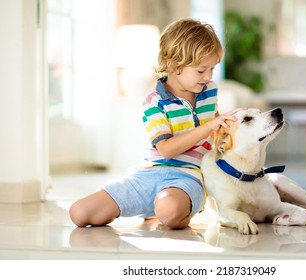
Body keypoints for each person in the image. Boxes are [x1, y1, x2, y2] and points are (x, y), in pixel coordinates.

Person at [69, 18, 240, 229]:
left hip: (187, 176)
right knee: (79, 213)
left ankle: (165, 208)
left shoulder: (209, 91)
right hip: (148, 173)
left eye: (212, 69)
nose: (208, 76)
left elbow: (215, 129)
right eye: (200, 70)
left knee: (168, 210)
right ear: (173, 65)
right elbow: (167, 149)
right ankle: (150, 205)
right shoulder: (153, 101)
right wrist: (208, 127)